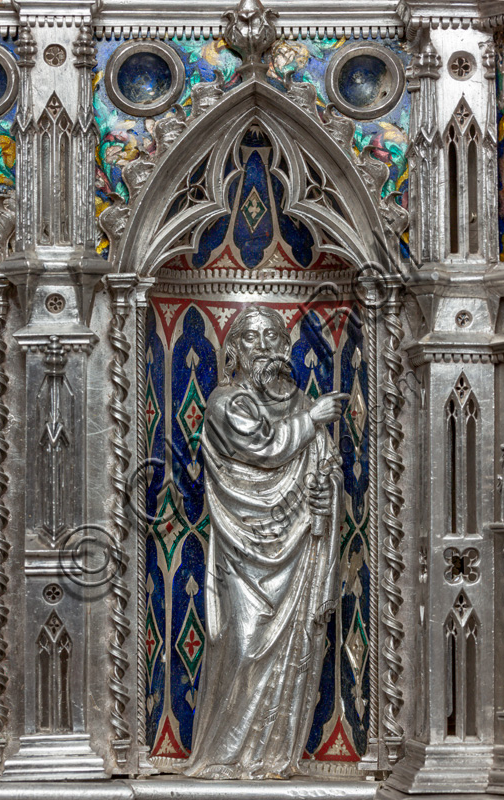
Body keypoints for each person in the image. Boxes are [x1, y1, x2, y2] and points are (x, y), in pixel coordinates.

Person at [183, 305, 347, 780]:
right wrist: (313, 419)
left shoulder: (297, 406)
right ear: (232, 352)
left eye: (274, 337)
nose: (266, 348)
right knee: (243, 643)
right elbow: (261, 447)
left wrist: (325, 495)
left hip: (298, 554)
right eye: (253, 339)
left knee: (293, 651)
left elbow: (327, 471)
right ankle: (222, 755)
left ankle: (274, 755)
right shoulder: (225, 402)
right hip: (243, 553)